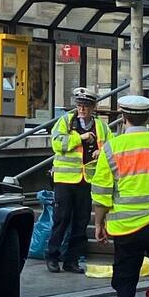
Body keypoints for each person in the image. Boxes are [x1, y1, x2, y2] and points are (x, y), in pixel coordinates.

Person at [92, 94, 149, 297]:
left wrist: (99, 223)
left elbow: (102, 192)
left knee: (126, 286)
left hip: (127, 229)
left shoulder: (112, 148)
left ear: (124, 117)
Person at [49, 86, 111, 274]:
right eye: (79, 105)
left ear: (93, 107)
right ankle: (52, 256)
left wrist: (103, 152)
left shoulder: (101, 126)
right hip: (65, 179)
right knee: (62, 218)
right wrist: (79, 137)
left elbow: (111, 146)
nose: (82, 109)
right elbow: (56, 144)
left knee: (81, 221)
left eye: (85, 105)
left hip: (87, 180)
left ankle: (72, 260)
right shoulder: (66, 121)